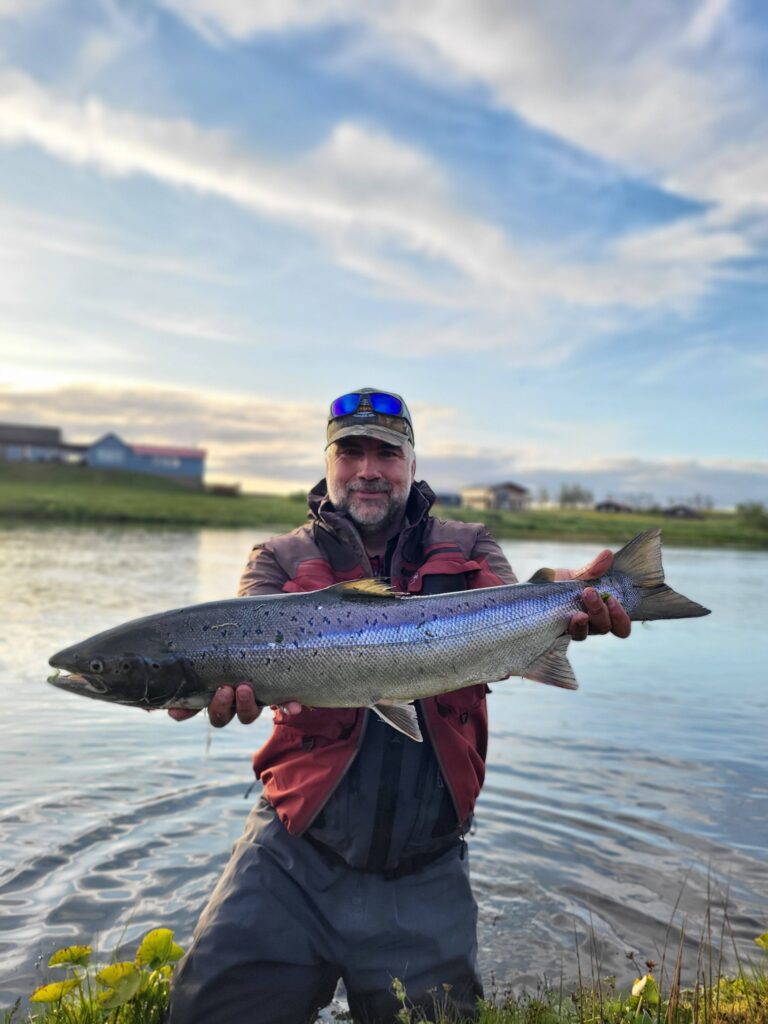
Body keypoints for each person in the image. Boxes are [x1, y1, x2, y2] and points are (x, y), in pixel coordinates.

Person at [166, 388, 631, 1024]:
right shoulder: (277, 558)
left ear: (411, 463)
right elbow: (242, 647)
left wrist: (569, 600)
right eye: (350, 452)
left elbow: (512, 611)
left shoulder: (470, 545)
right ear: (328, 462)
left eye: (385, 453)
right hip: (291, 852)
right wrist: (224, 685)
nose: (367, 470)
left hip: (426, 866)